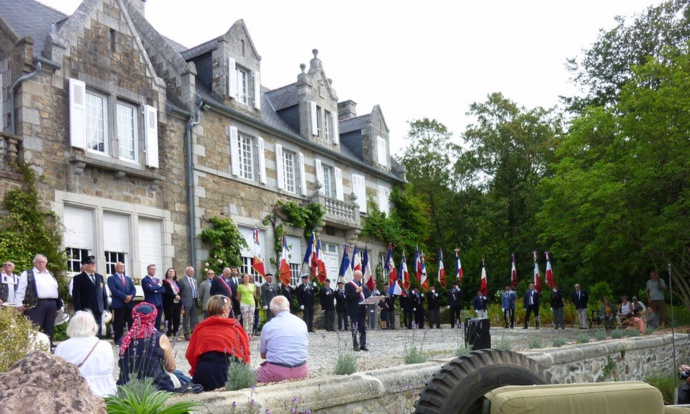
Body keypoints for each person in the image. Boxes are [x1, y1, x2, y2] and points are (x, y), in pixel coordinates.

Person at [185, 295, 250, 390]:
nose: (230, 310)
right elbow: (245, 351)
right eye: (229, 308)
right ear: (224, 310)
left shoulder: (200, 328)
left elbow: (190, 354)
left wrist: (196, 369)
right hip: (229, 371)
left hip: (205, 372)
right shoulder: (234, 327)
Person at [118, 302, 185, 391]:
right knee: (180, 375)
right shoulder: (160, 337)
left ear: (134, 318)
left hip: (127, 385)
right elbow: (171, 367)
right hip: (156, 385)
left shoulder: (124, 340)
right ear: (153, 318)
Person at [54, 311, 116, 397]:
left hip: (74, 394)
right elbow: (111, 369)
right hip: (106, 392)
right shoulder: (106, 345)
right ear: (93, 326)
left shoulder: (62, 346)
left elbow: (57, 371)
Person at [256, 296, 309, 382]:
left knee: (250, 376)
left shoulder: (268, 326)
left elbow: (263, 355)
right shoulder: (302, 323)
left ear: (272, 311)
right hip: (301, 370)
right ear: (288, 306)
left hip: (276, 372)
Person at [15, 254, 64, 345]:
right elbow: (21, 289)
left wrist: (59, 304)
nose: (41, 264)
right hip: (36, 304)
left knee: (49, 327)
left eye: (43, 262)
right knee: (35, 328)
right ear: (34, 263)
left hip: (51, 303)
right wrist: (19, 304)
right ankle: (33, 347)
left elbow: (56, 289)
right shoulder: (27, 274)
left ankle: (48, 347)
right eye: (39, 262)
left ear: (46, 263)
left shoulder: (50, 274)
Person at [71, 256, 108, 334]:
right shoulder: (78, 278)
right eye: (91, 263)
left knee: (98, 331)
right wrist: (78, 310)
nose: (94, 265)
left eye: (94, 263)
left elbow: (104, 294)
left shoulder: (99, 277)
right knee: (87, 331)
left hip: (99, 309)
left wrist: (106, 308)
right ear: (85, 266)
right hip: (86, 310)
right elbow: (76, 296)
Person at [107, 261, 136, 344]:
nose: (122, 267)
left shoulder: (128, 278)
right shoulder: (111, 278)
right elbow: (114, 290)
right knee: (118, 322)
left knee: (131, 321)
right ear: (116, 268)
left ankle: (131, 338)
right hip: (119, 304)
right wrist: (125, 297)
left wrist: (130, 297)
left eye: (123, 266)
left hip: (129, 303)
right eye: (120, 266)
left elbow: (133, 289)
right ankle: (118, 339)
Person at [345, 270, 371, 351]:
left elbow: (367, 296)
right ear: (355, 276)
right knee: (355, 328)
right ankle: (355, 345)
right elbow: (348, 297)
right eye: (359, 277)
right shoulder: (348, 285)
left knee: (363, 328)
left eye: (361, 277)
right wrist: (356, 291)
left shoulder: (363, 286)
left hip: (362, 310)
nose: (360, 278)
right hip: (354, 310)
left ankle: (363, 344)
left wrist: (372, 299)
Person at [141, 264, 165, 330]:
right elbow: (150, 289)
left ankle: (157, 333)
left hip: (159, 302)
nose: (154, 270)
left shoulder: (157, 280)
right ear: (148, 270)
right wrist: (159, 285)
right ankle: (150, 333)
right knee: (151, 319)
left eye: (155, 269)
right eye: (152, 269)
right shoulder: (145, 280)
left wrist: (156, 290)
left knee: (158, 319)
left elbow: (163, 290)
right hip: (151, 302)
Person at [178, 266, 199, 340]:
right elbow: (179, 291)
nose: (192, 272)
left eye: (193, 271)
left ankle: (193, 333)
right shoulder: (182, 280)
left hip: (194, 301)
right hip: (186, 302)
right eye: (191, 271)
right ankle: (186, 334)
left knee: (194, 318)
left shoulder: (194, 280)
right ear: (186, 272)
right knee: (186, 319)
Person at [162, 268, 182, 338]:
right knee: (168, 319)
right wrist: (174, 296)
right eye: (169, 271)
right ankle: (168, 335)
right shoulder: (165, 282)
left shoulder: (177, 282)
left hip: (177, 303)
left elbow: (180, 291)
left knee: (177, 319)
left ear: (174, 273)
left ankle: (176, 335)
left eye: (172, 271)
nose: (171, 273)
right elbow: (165, 291)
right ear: (167, 273)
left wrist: (179, 297)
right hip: (169, 303)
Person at [236, 273, 257, 338]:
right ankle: (246, 334)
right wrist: (242, 302)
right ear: (242, 279)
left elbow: (253, 294)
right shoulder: (240, 286)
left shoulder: (253, 285)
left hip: (251, 303)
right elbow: (238, 296)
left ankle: (250, 333)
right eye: (245, 277)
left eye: (247, 277)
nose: (246, 278)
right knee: (245, 319)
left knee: (251, 318)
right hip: (244, 303)